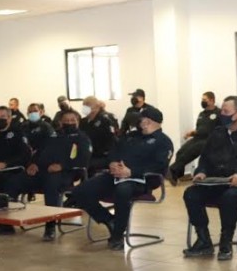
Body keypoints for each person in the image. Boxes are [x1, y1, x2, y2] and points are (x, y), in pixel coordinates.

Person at [67, 107, 172, 250]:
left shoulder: (163, 141)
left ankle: (117, 235)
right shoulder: (131, 136)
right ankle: (109, 220)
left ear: (148, 121)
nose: (138, 122)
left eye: (141, 120)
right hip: (115, 175)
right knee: (80, 191)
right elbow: (113, 150)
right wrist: (112, 162)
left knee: (122, 190)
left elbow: (160, 167)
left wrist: (132, 172)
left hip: (141, 180)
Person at [183, 96, 237, 261]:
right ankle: (204, 241)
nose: (221, 114)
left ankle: (226, 241)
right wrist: (201, 172)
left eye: (225, 111)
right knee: (191, 194)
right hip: (218, 180)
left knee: (230, 197)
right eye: (221, 110)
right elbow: (205, 159)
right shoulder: (218, 132)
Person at [6, 109, 92, 241]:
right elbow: (39, 152)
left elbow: (83, 159)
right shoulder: (53, 136)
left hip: (66, 173)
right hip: (42, 171)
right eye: (66, 121)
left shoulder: (82, 138)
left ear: (77, 122)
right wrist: (33, 163)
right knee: (14, 181)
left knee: (51, 184)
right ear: (61, 122)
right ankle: (6, 224)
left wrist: (62, 166)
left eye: (72, 120)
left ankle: (50, 225)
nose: (69, 123)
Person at [167, 91, 220, 185]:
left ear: (212, 100)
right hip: (198, 138)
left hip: (209, 140)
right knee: (181, 152)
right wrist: (191, 134)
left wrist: (195, 132)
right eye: (202, 99)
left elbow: (210, 129)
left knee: (190, 152)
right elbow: (199, 128)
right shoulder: (202, 114)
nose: (202, 101)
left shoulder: (218, 113)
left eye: (205, 100)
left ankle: (171, 170)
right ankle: (177, 176)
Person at [79, 95, 118, 174]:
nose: (84, 108)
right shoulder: (83, 122)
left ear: (95, 107)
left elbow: (110, 140)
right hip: (87, 154)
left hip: (102, 155)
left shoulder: (105, 120)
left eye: (87, 105)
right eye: (84, 105)